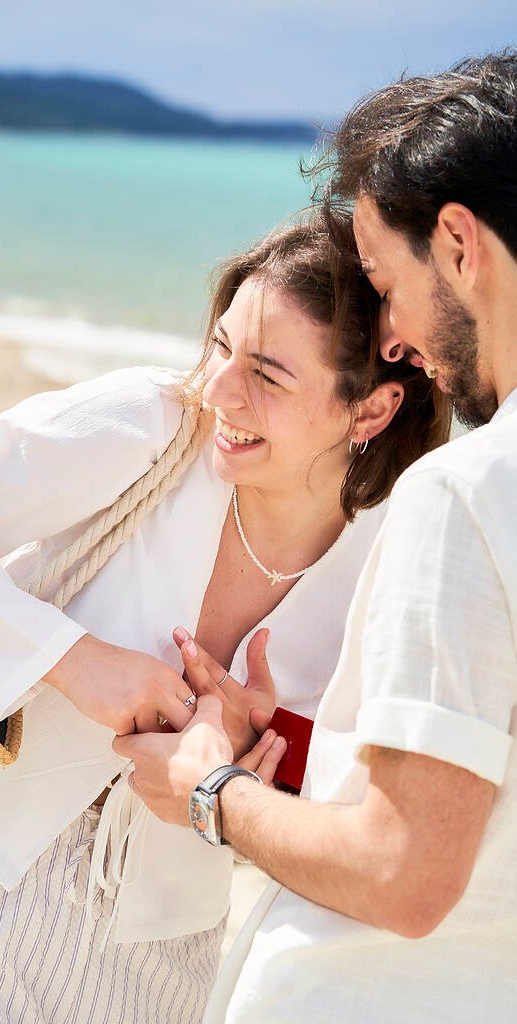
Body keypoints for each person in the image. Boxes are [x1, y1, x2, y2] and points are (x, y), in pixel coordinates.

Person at [0, 215, 445, 1023]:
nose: (219, 389)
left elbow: (364, 813)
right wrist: (71, 658)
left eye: (265, 373)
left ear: (368, 412)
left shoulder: (392, 558)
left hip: (161, 956)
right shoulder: (153, 426)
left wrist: (263, 760)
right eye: (221, 346)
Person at [117, 51, 517, 1023]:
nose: (387, 333)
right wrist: (295, 752)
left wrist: (210, 788)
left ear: (458, 245)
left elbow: (403, 873)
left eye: (383, 281)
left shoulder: (462, 497)